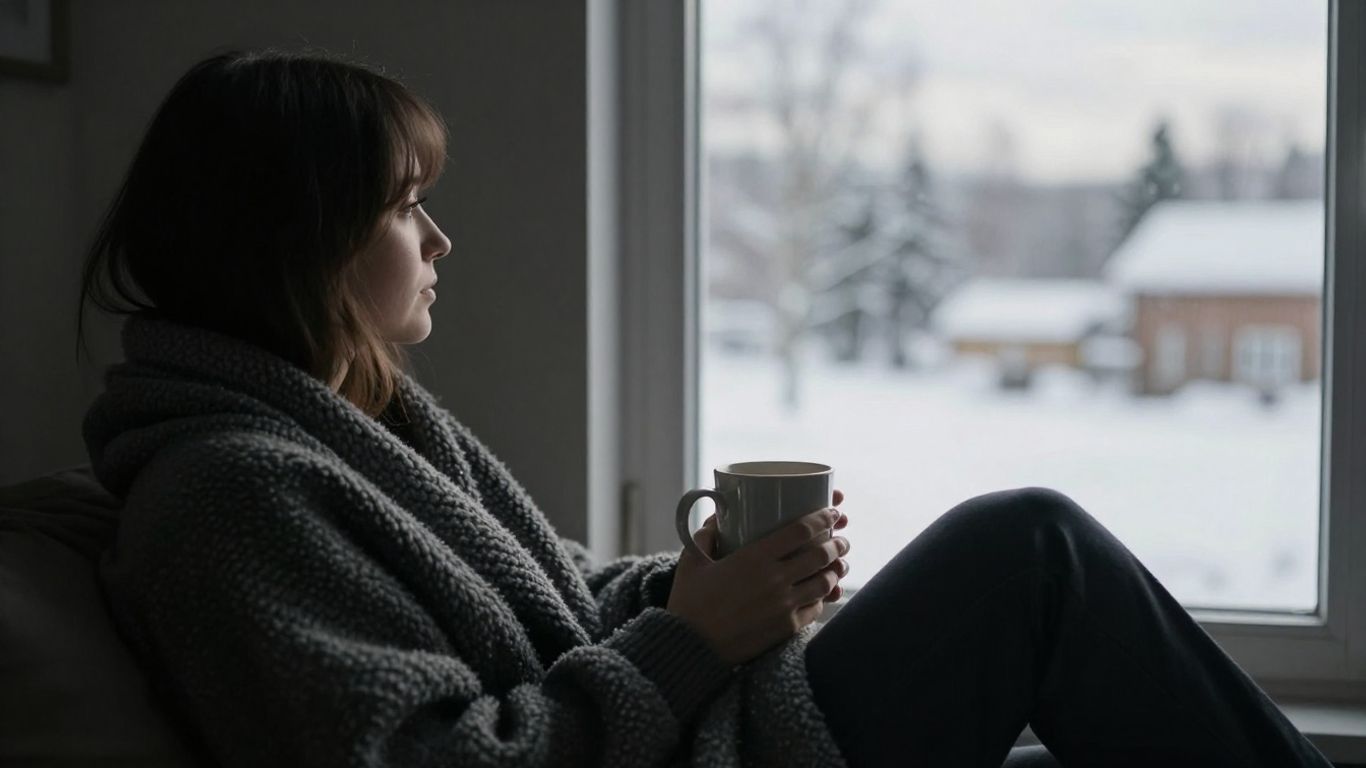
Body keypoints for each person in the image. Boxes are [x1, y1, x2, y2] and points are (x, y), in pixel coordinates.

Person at [75, 49, 1331, 768]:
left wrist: (698, 585)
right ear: (300, 239)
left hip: (717, 735)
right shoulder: (227, 497)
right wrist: (692, 640)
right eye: (405, 206)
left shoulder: (372, 426)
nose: (440, 238)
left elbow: (554, 612)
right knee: (1029, 547)